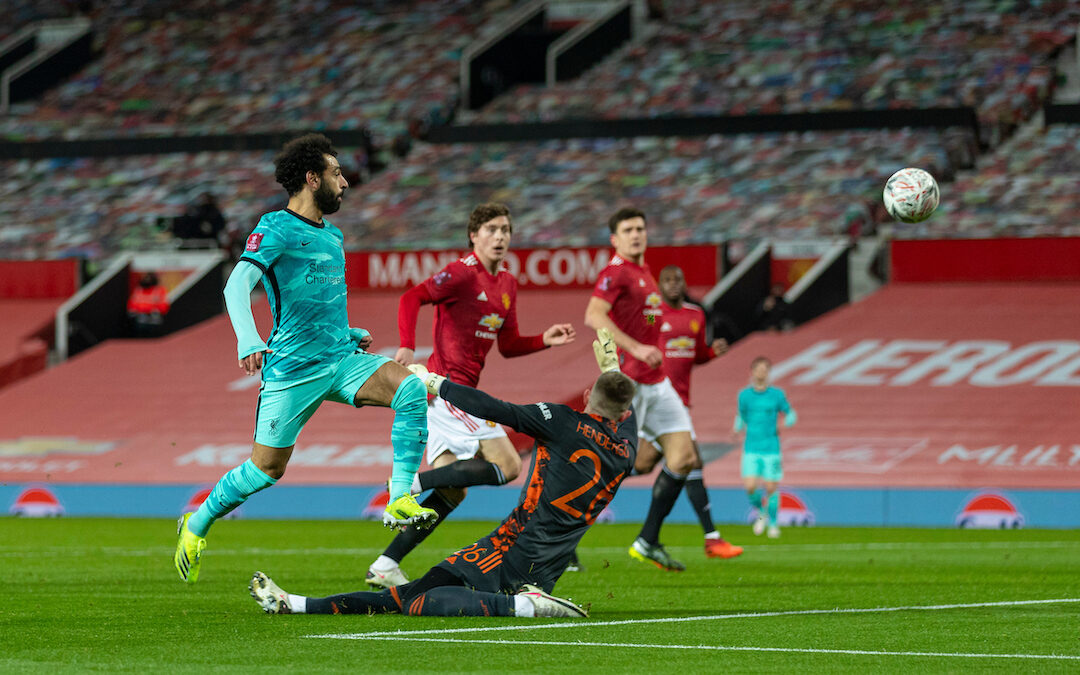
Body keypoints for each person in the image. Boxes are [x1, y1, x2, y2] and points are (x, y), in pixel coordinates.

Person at [174, 134, 437, 584]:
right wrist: (248, 340)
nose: (346, 182)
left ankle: (399, 497)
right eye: (337, 173)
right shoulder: (275, 228)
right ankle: (196, 524)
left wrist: (349, 333)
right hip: (292, 371)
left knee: (411, 387)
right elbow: (235, 286)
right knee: (265, 470)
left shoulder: (333, 236)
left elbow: (320, 301)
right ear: (312, 179)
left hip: (340, 358)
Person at [249, 329, 636, 618]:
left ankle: (524, 607)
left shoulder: (563, 421)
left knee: (418, 601)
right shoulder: (625, 453)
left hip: (515, 549)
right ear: (622, 414)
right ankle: (294, 604)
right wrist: (614, 370)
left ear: (587, 398)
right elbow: (625, 417)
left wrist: (435, 382)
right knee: (409, 594)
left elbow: (496, 408)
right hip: (545, 562)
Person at [365, 202, 576, 589]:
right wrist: (408, 347)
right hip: (448, 388)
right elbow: (412, 297)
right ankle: (409, 484)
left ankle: (385, 563)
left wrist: (544, 340)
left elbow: (509, 344)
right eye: (492, 229)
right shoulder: (462, 274)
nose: (500, 236)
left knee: (452, 492)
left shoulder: (508, 285)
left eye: (506, 230)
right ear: (474, 235)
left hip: (460, 392)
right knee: (509, 466)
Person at [584, 207, 696, 571]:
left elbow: (648, 315)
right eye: (628, 229)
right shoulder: (615, 273)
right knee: (610, 463)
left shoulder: (644, 274)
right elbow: (595, 316)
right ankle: (562, 536)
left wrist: (653, 330)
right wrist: (635, 347)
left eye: (640, 228)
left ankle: (648, 540)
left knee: (682, 457)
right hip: (629, 383)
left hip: (656, 381)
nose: (636, 234)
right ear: (615, 238)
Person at [633, 265, 742, 559]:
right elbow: (640, 342)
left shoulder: (696, 315)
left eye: (677, 280)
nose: (672, 284)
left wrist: (710, 353)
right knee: (691, 459)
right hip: (657, 400)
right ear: (659, 285)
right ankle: (710, 537)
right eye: (666, 280)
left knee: (642, 465)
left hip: (678, 402)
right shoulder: (654, 314)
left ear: (683, 283)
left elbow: (696, 355)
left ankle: (648, 537)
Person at [734, 356, 796, 539]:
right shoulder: (744, 395)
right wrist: (736, 428)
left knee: (770, 487)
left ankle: (774, 524)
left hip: (771, 448)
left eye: (765, 369)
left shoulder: (777, 394)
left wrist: (789, 421)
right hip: (751, 448)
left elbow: (789, 412)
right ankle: (762, 512)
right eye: (758, 369)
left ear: (768, 372)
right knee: (750, 486)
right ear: (752, 372)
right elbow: (742, 415)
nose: (761, 373)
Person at [127, 271, 170, 337]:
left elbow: (164, 306)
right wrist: (138, 310)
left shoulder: (159, 290)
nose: (147, 280)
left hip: (154, 319)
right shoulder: (139, 290)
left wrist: (151, 310)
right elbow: (132, 305)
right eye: (145, 278)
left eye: (148, 278)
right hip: (140, 318)